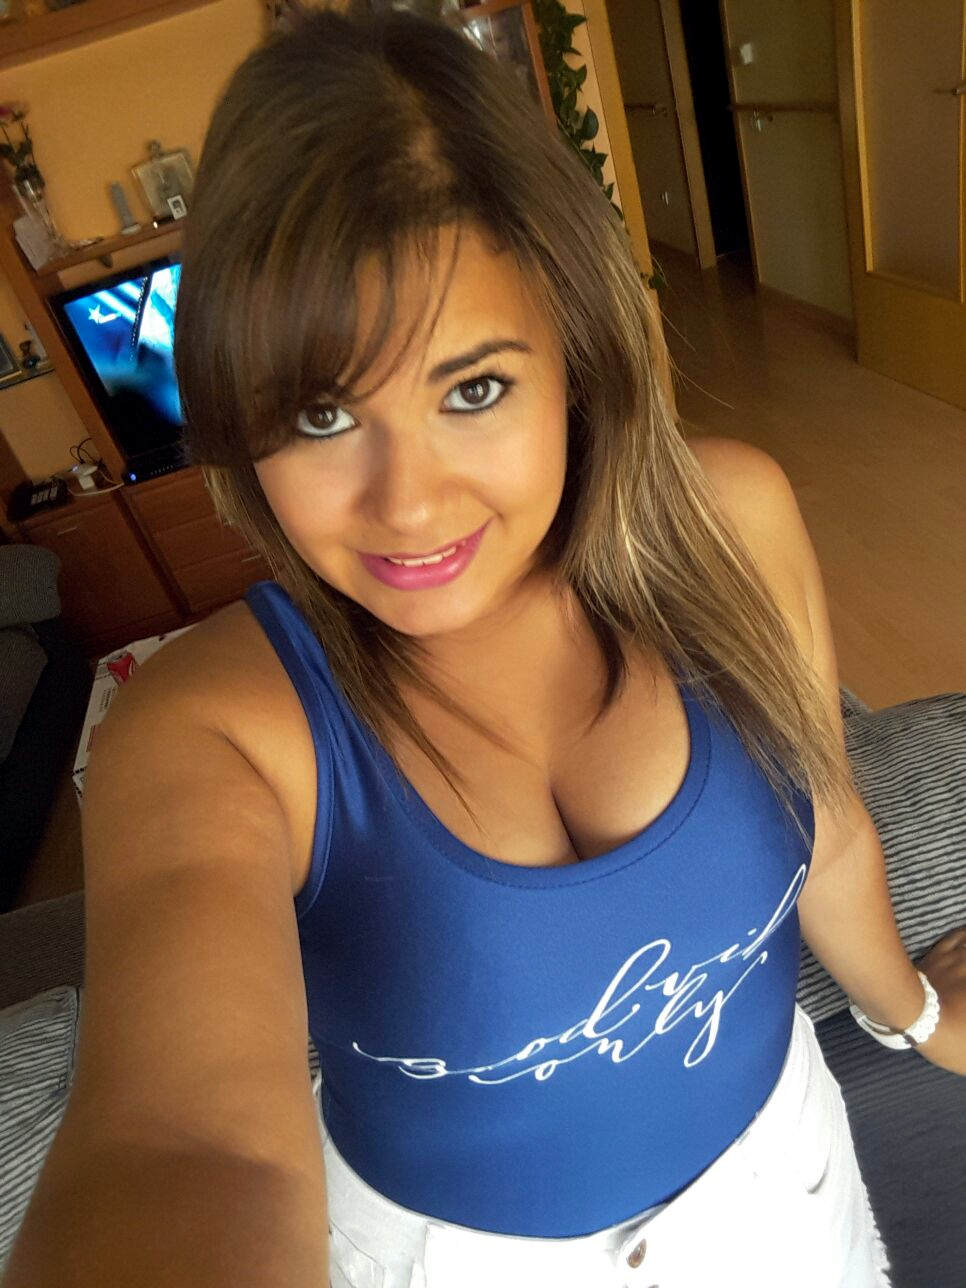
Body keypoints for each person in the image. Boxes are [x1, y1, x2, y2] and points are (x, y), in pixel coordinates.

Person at [6, 6, 964, 1287]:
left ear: (574, 352)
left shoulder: (728, 524)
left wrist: (918, 1011)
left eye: (474, 389)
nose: (408, 507)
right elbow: (182, 1144)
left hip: (788, 1198)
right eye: (322, 413)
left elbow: (826, 818)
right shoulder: (204, 728)